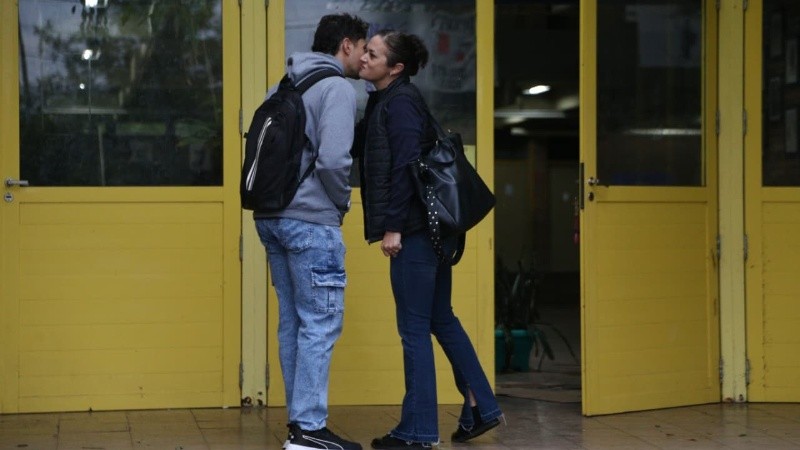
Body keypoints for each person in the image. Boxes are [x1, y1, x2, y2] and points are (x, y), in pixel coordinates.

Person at [354, 30, 503, 450]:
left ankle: (417, 433)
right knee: (440, 319)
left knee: (414, 330)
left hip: (415, 232)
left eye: (373, 53)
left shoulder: (399, 103)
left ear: (395, 67)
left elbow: (406, 167)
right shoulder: (390, 99)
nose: (364, 57)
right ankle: (482, 405)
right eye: (365, 50)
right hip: (432, 231)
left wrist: (394, 226)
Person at [254, 13, 368, 450]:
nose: (363, 57)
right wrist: (339, 205)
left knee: (295, 322)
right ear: (345, 46)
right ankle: (309, 430)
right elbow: (335, 162)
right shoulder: (337, 87)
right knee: (319, 323)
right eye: (362, 47)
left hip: (271, 219)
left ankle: (300, 426)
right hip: (310, 222)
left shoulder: (284, 84)